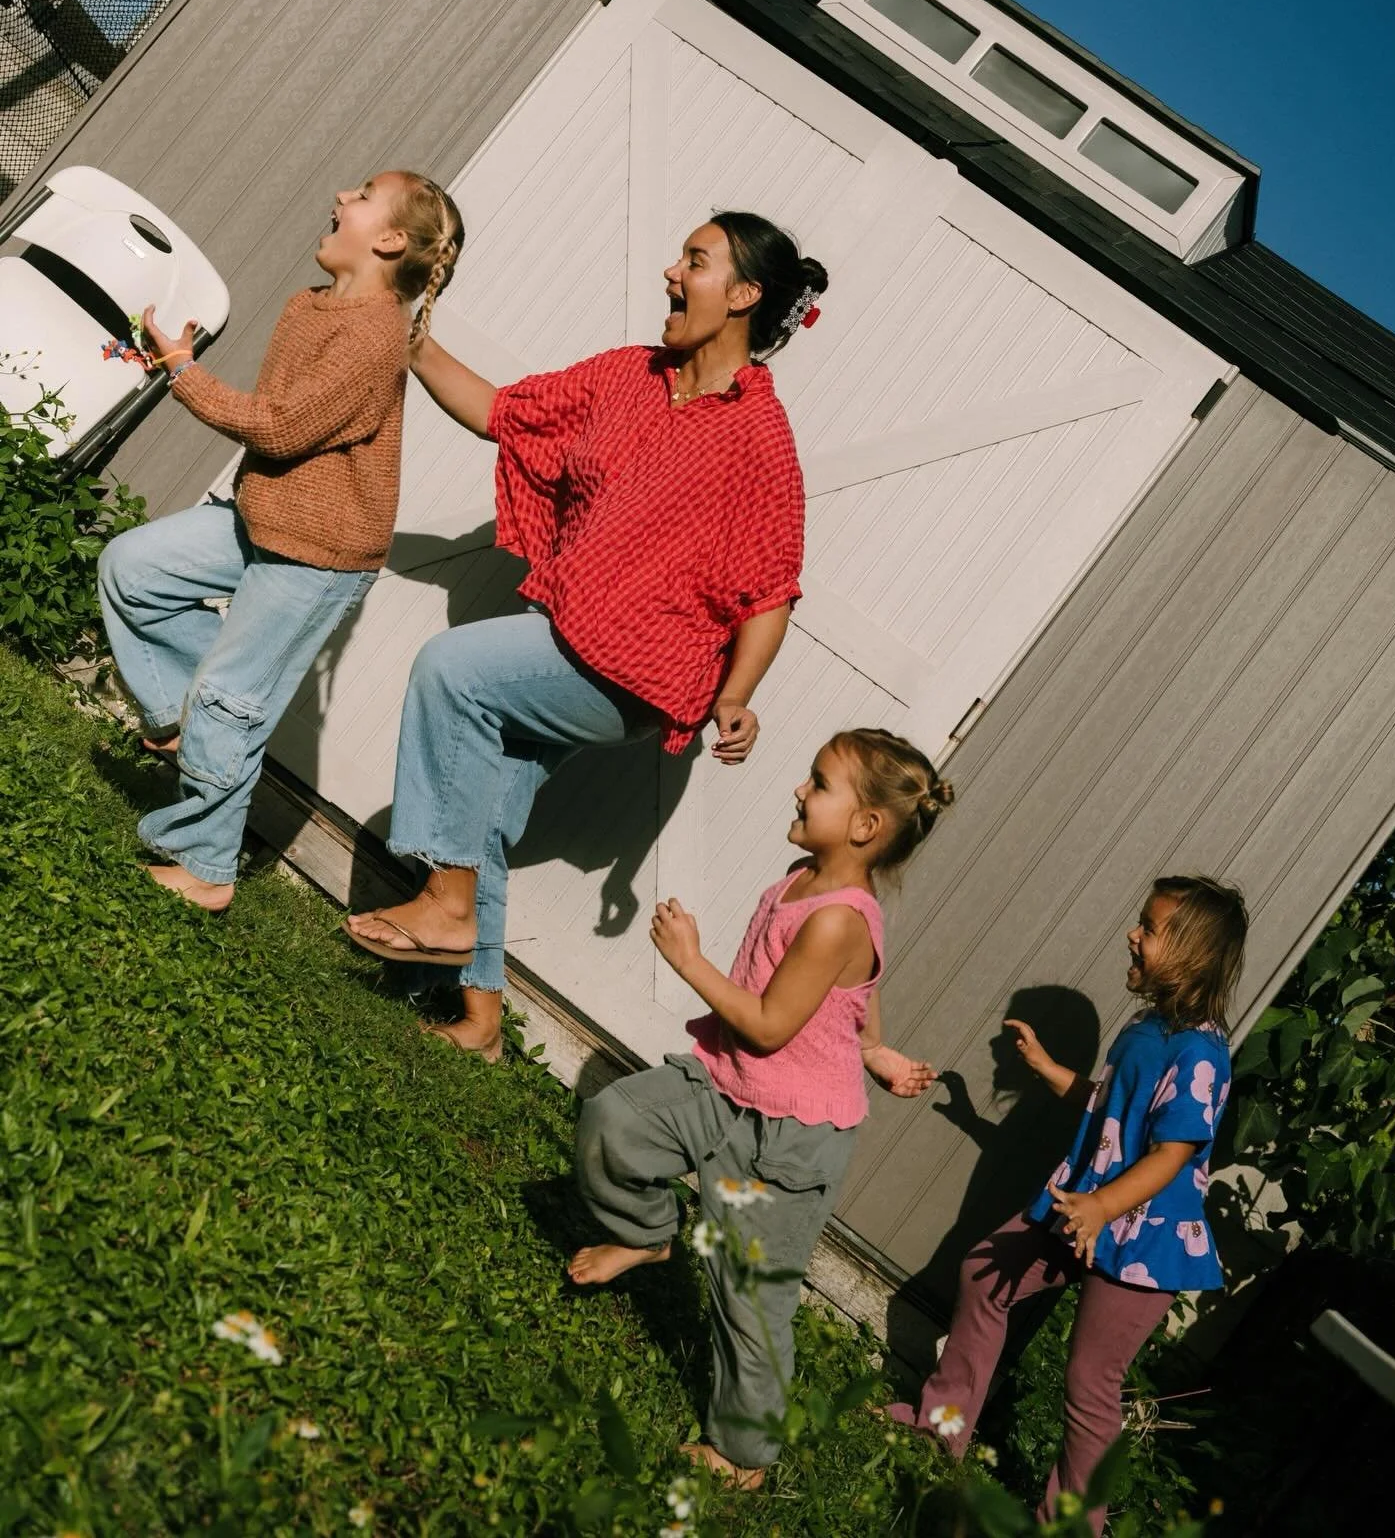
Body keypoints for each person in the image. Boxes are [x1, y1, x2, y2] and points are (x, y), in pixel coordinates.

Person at [345, 212, 827, 1062]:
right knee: (484, 810)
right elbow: (505, 414)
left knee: (450, 671)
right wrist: (410, 342)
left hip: (636, 676)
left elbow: (770, 589)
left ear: (746, 295)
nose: (672, 273)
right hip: (566, 635)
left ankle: (448, 909)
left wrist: (739, 696)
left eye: (696, 261)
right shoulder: (629, 376)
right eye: (680, 256)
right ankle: (482, 1020)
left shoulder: (759, 440)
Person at [567, 728, 952, 1489]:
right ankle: (649, 1237)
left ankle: (742, 1456)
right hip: (723, 1083)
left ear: (865, 826)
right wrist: (874, 1050)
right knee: (614, 1125)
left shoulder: (841, 918)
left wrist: (689, 960)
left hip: (790, 1138)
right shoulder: (799, 878)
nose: (800, 790)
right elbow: (854, 998)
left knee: (748, 1301)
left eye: (819, 783)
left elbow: (774, 1022)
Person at [98, 172, 463, 910]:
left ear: (390, 240)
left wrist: (182, 373)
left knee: (233, 696)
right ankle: (178, 724)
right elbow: (280, 423)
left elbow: (279, 425)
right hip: (264, 518)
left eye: (361, 195)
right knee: (132, 569)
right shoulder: (311, 306)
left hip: (320, 553)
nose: (338, 195)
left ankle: (205, 865)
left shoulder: (374, 335)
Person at [888, 876, 1248, 1535]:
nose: (1132, 934)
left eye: (1150, 927)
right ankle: (939, 1430)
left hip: (1144, 1242)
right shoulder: (1146, 1031)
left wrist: (1102, 1207)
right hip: (1084, 1211)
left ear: (1192, 955)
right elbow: (1113, 1109)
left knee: (1089, 1384)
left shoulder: (1201, 1056)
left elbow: (1171, 1154)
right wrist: (1050, 1071)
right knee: (983, 1274)